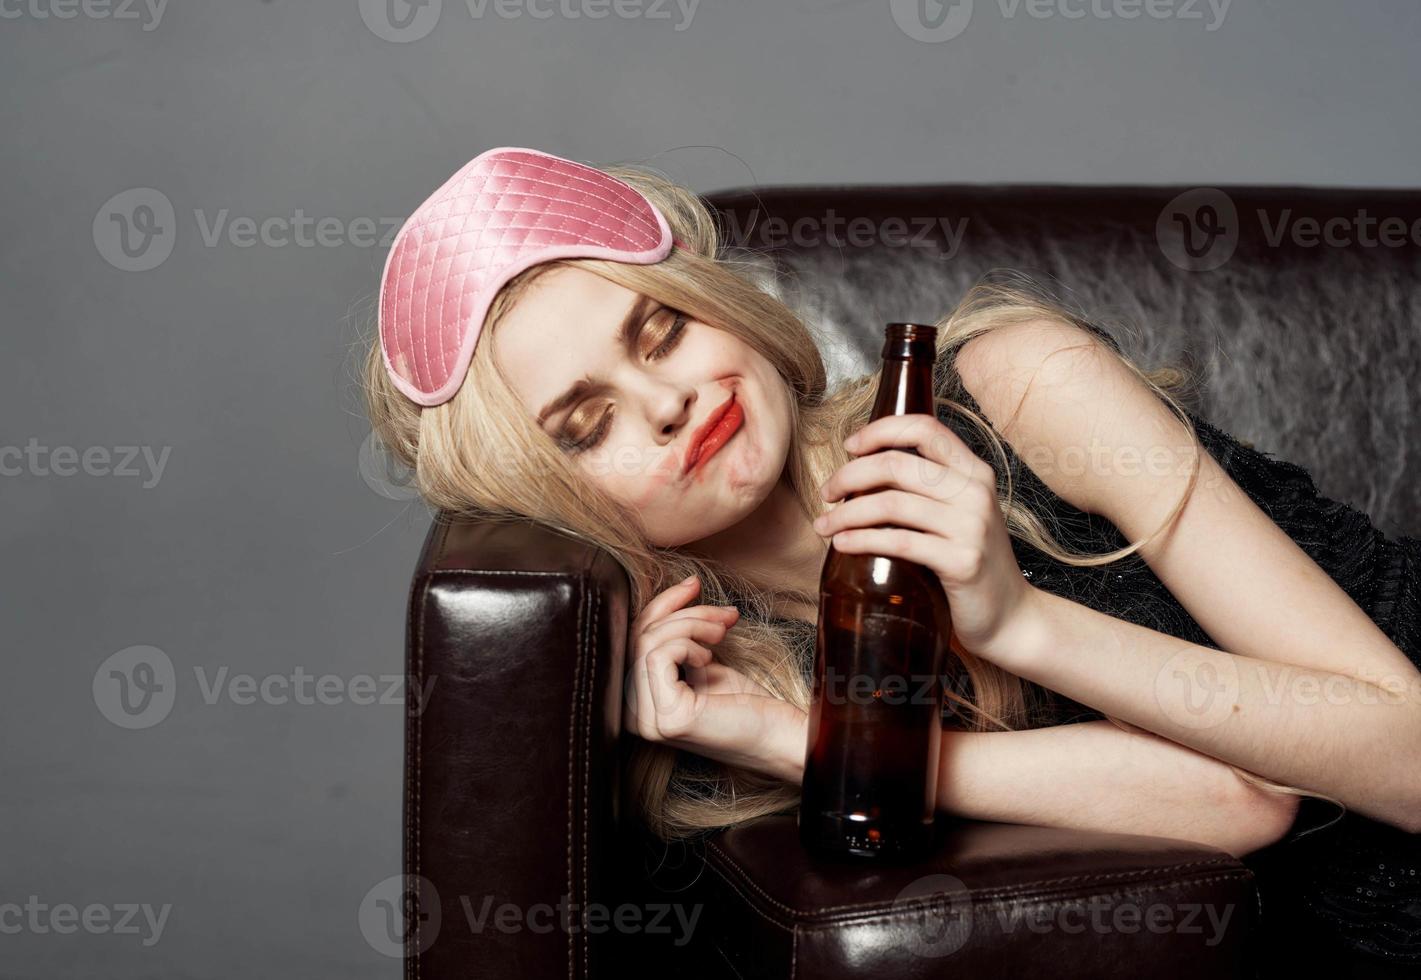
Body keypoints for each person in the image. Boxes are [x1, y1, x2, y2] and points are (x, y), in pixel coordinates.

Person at [361, 146, 1421, 975]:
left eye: (660, 334)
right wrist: (800, 738)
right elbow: (1239, 798)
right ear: (562, 499)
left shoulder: (1019, 387)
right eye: (589, 424)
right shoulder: (712, 690)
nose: (668, 400)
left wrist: (1013, 619)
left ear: (718, 304)